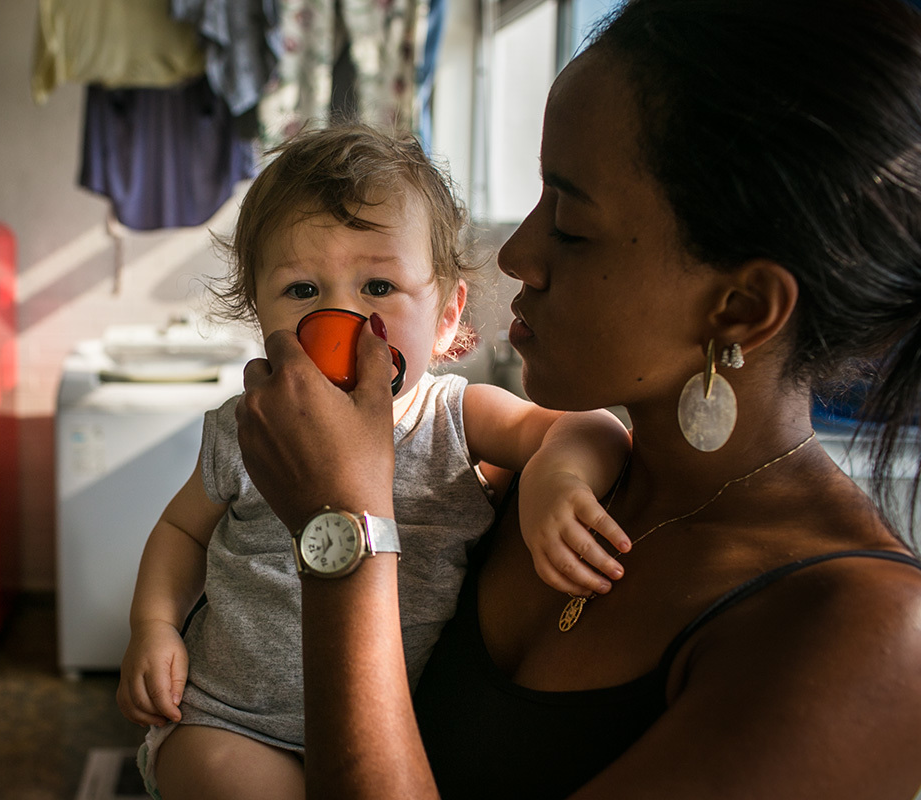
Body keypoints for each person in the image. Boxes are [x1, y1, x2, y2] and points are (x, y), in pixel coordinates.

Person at [233, 0, 921, 798]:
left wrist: (341, 526)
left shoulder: (862, 639)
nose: (518, 253)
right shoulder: (543, 477)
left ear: (738, 307)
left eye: (571, 222)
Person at [114, 125, 632, 799]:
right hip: (231, 724)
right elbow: (182, 531)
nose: (341, 315)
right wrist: (152, 626)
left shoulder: (454, 416)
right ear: (258, 311)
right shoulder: (252, 425)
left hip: (392, 732)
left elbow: (589, 429)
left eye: (379, 284)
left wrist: (555, 477)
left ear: (446, 317)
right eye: (301, 290)